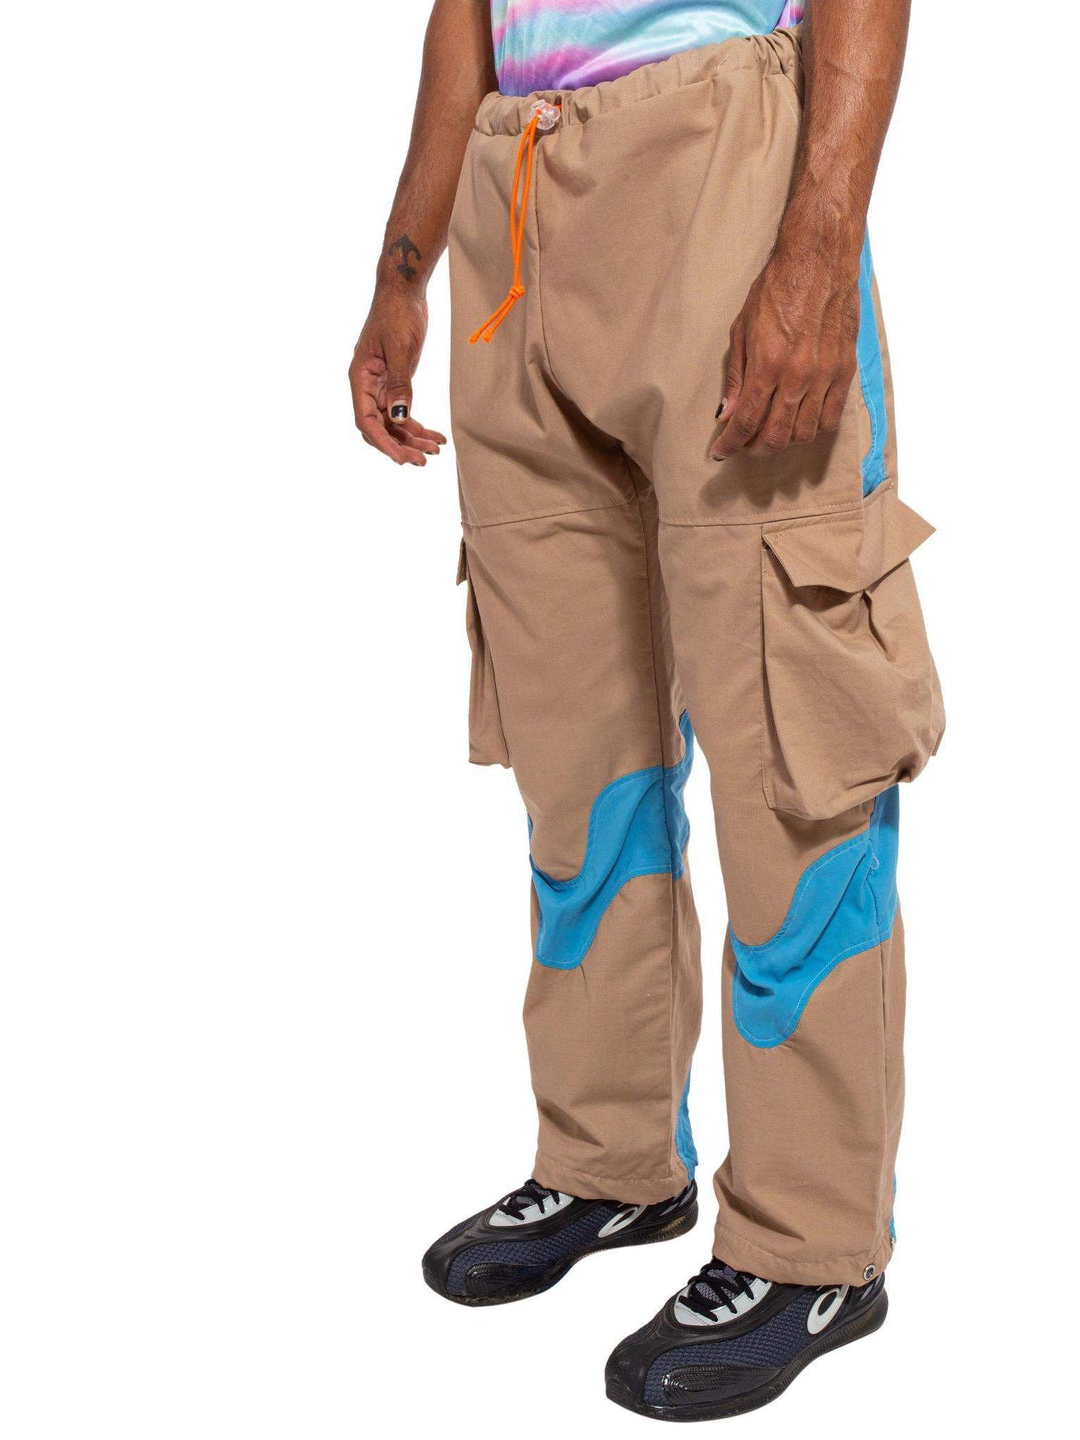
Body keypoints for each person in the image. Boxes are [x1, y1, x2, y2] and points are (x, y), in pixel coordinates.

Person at [349, 0, 942, 1420]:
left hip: (721, 165)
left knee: (793, 749)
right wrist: (403, 271)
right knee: (576, 756)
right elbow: (468, 14)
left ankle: (811, 1246)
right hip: (512, 197)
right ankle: (608, 1164)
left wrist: (816, 251)